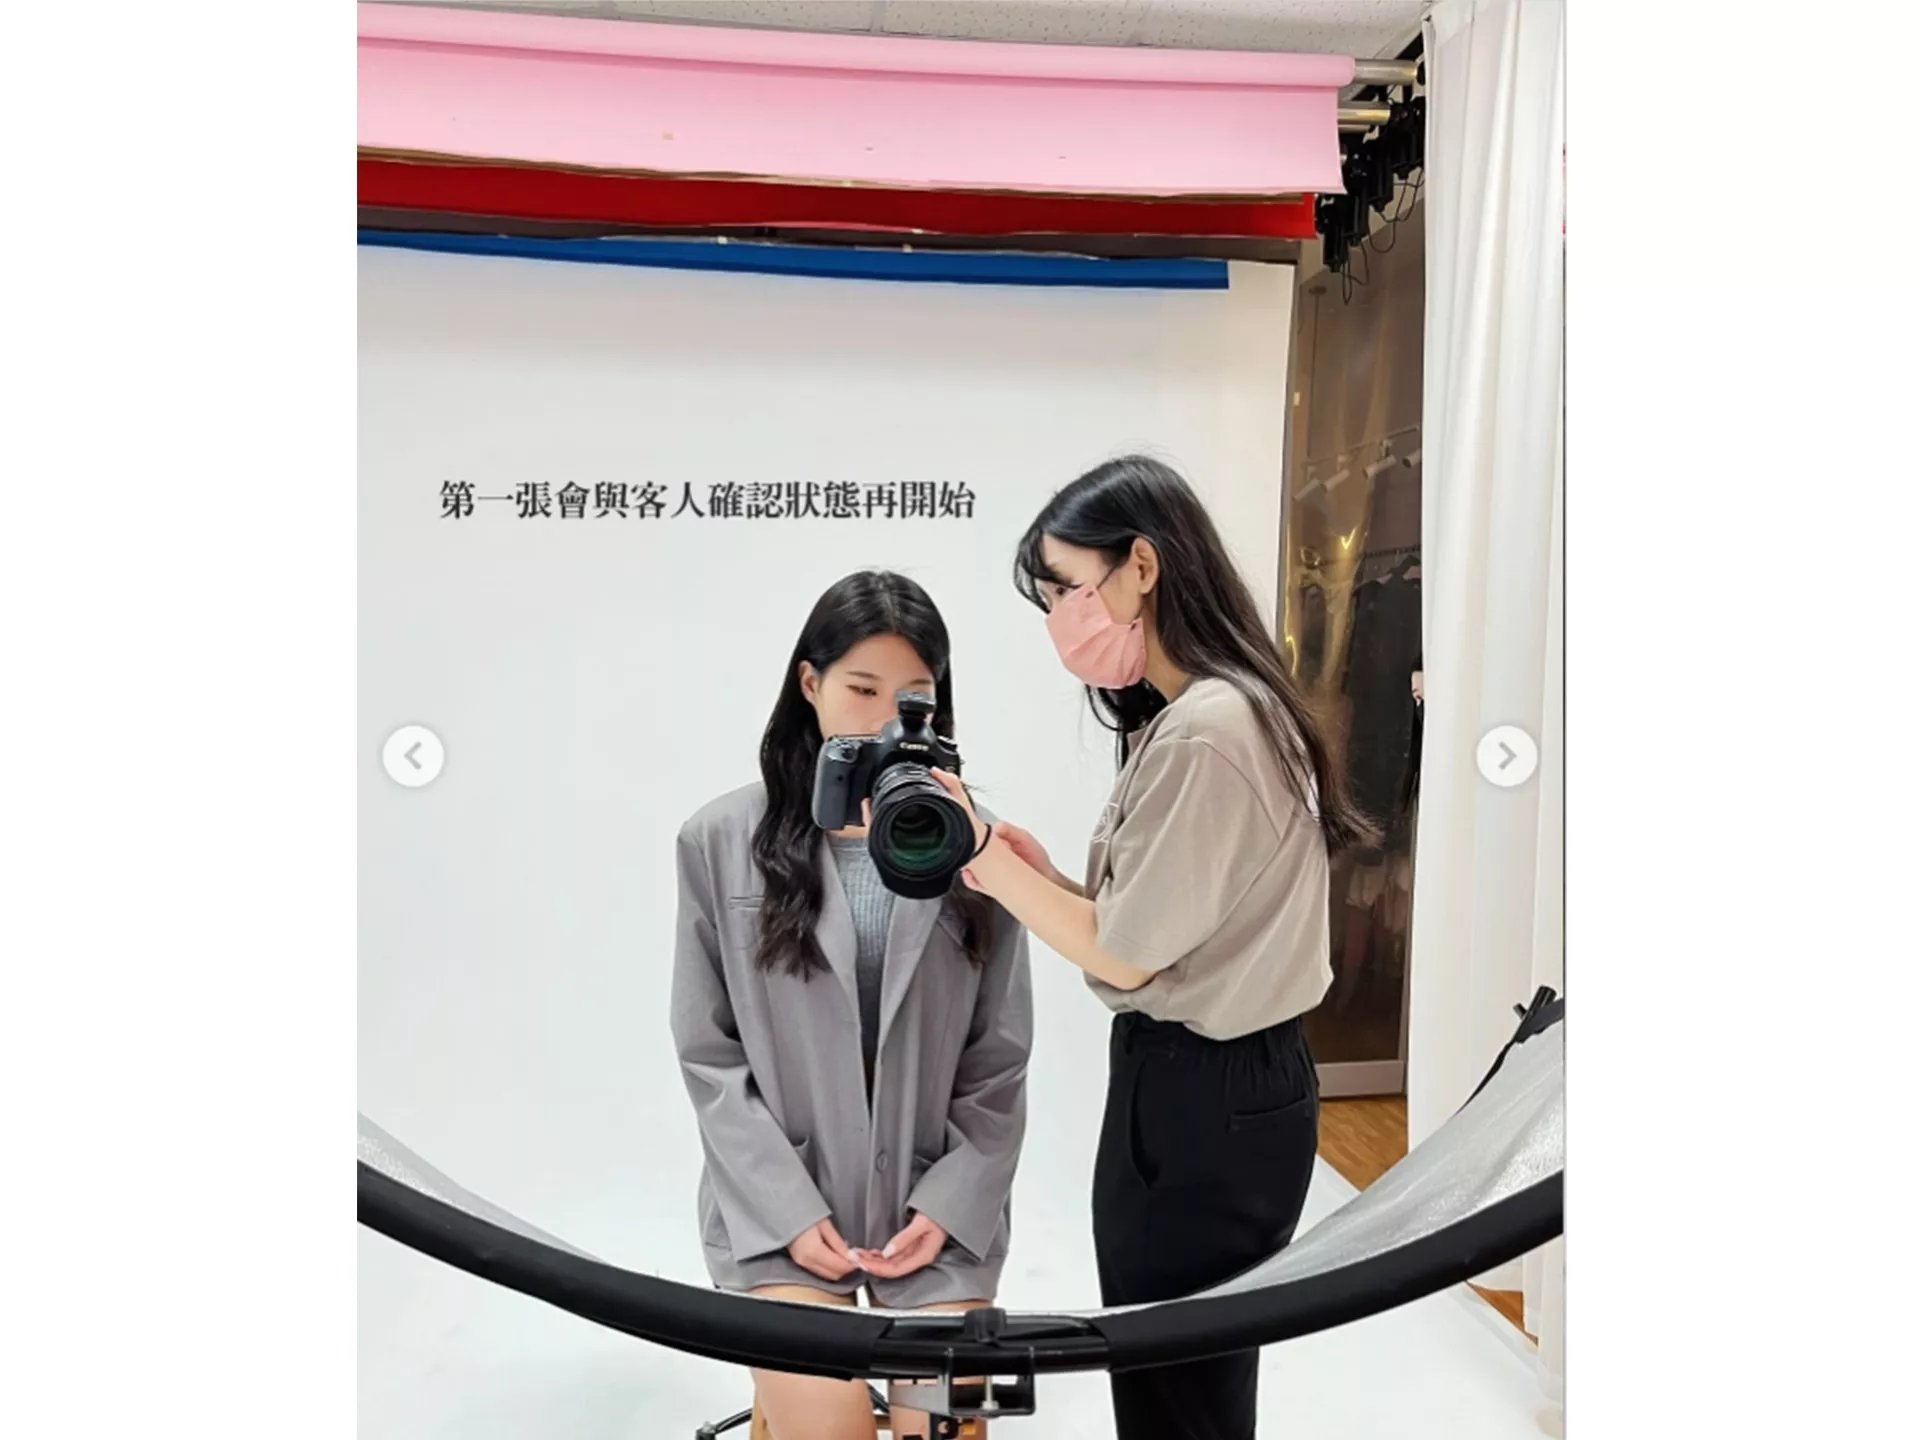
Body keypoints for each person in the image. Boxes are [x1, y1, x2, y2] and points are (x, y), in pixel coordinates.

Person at [930, 457, 1379, 1440]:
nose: (1061, 618)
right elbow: (1170, 925)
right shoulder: (1218, 711)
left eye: (1067, 588)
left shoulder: (1209, 730)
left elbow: (1128, 957)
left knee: (1176, 1395)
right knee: (1190, 1384)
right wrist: (1044, 878)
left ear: (1142, 566)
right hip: (1232, 1091)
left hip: (1199, 1102)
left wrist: (983, 861)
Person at [670, 570, 1033, 1440]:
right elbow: (709, 1055)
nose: (882, 720)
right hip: (777, 1214)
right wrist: (789, 1214)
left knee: (945, 1431)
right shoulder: (719, 840)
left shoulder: (976, 844)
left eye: (910, 698)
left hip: (939, 1219)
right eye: (861, 690)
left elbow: (998, 1058)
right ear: (810, 683)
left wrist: (948, 1207)